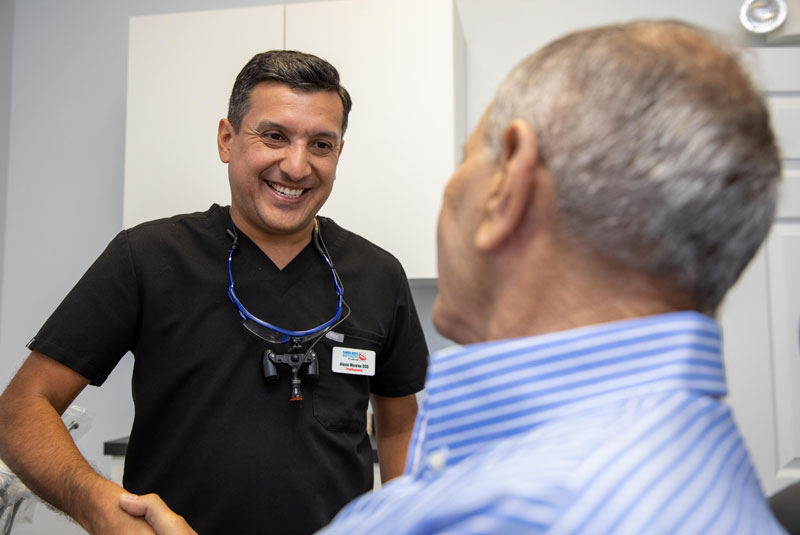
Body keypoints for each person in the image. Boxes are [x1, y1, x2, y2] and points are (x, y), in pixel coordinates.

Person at [127, 19, 788, 534]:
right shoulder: (690, 455)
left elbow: (398, 426)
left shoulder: (501, 510)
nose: (298, 165)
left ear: (511, 189)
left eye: (468, 159)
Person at [0, 50, 429, 535]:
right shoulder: (148, 256)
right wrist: (98, 506)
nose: (296, 164)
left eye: (321, 144)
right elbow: (21, 409)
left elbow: (398, 427)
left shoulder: (377, 274)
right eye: (274, 136)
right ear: (227, 140)